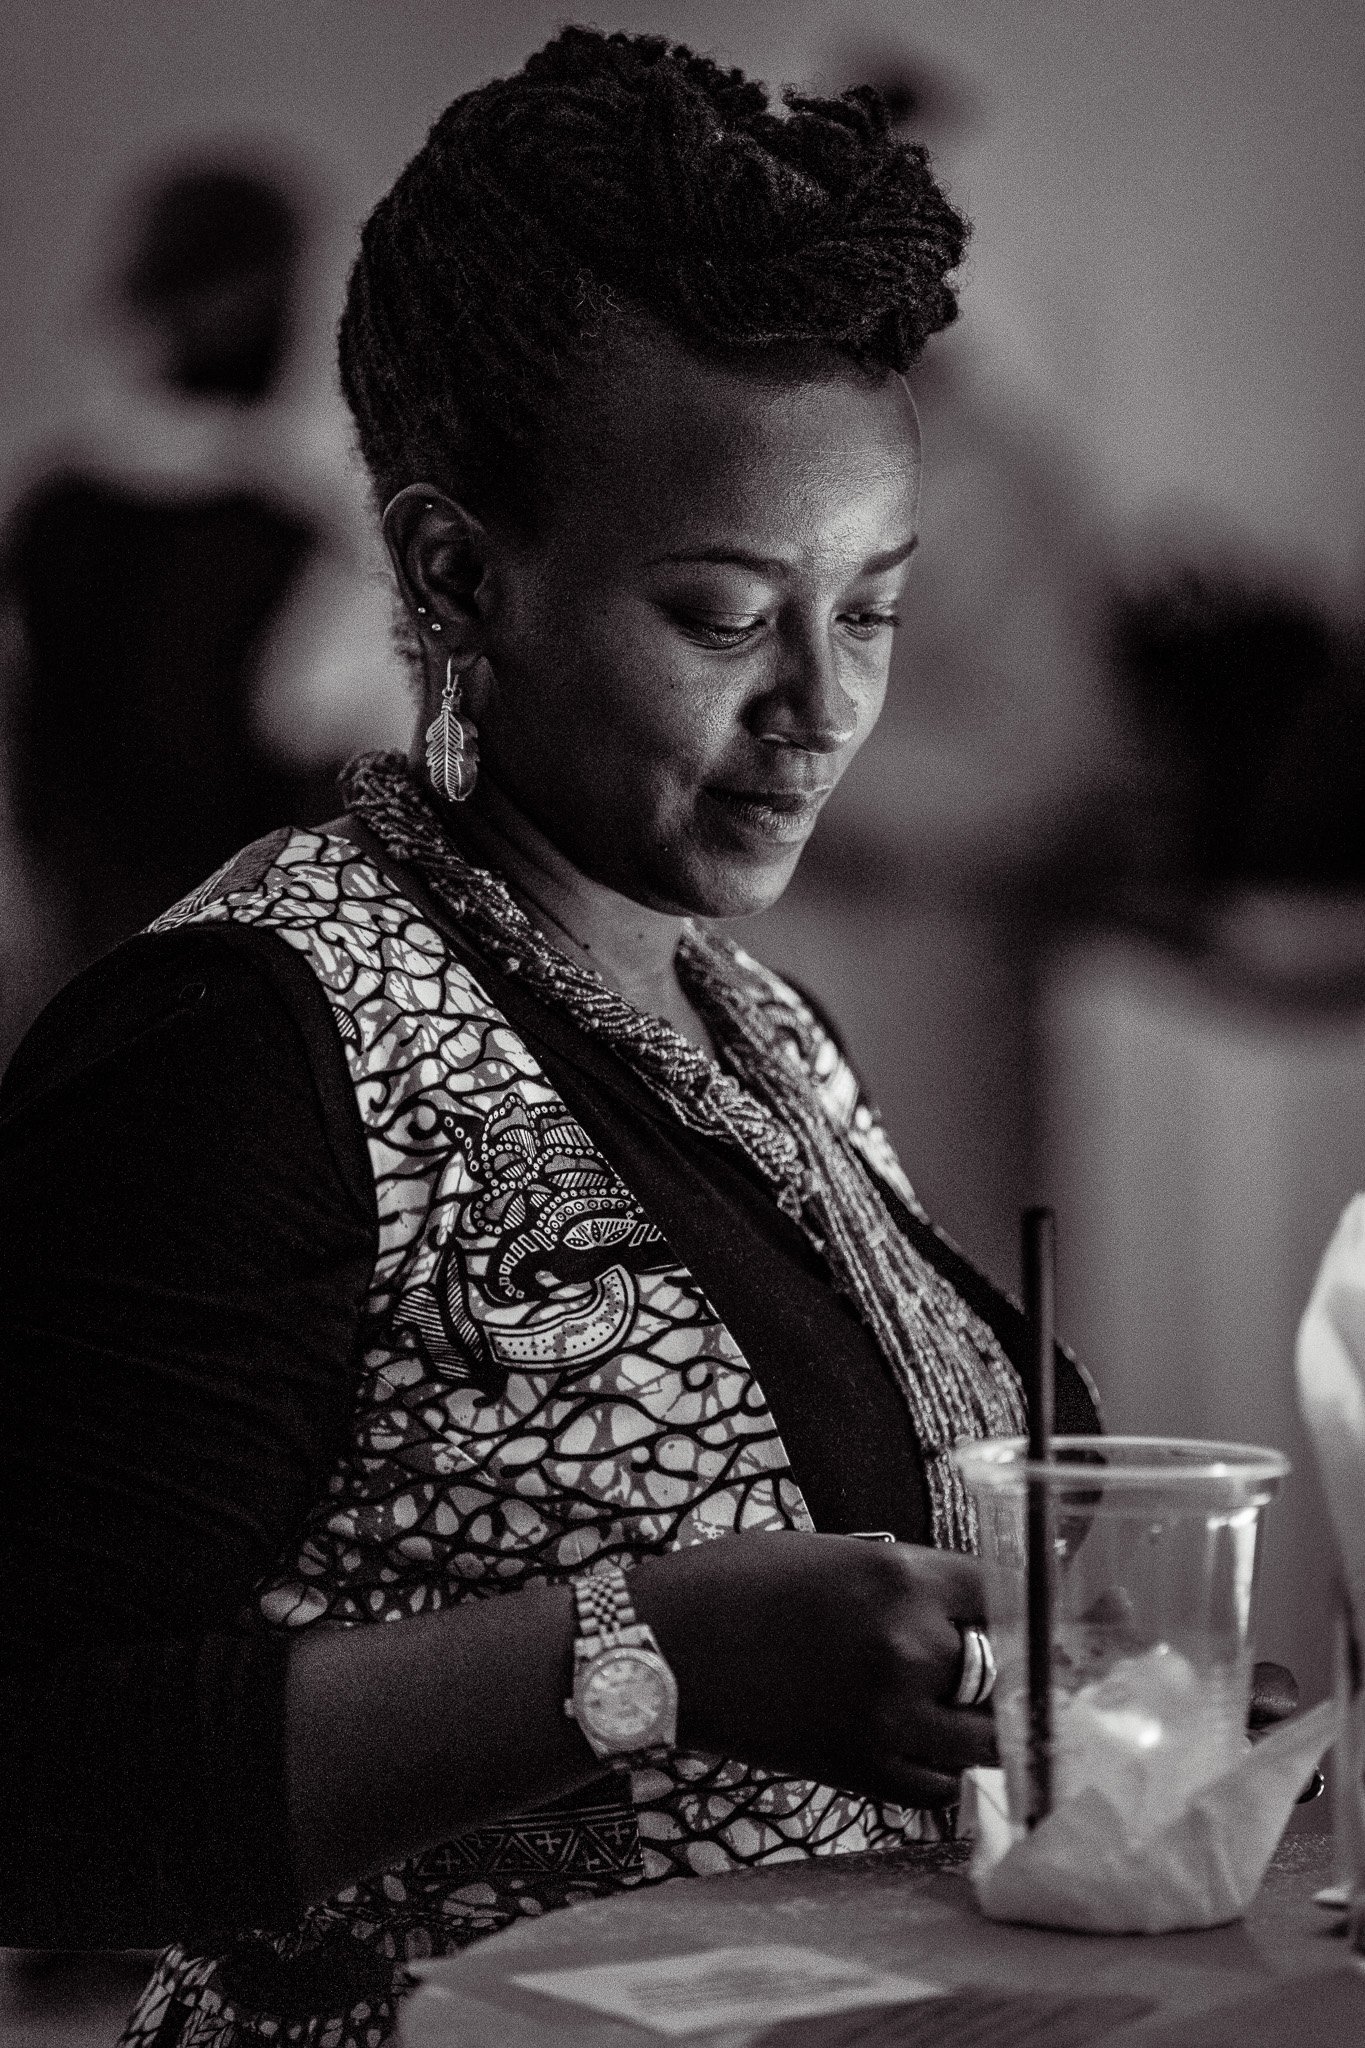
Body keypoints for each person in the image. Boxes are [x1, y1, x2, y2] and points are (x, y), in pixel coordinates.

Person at [0, 30, 1102, 2048]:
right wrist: (648, 1648)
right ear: (454, 573)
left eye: (870, 609)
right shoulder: (246, 1040)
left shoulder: (762, 1026)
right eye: (721, 612)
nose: (821, 704)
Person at [0, 158, 404, 1063]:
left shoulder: (50, 508)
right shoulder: (308, 525)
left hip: (65, 956)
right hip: (235, 975)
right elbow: (323, 741)